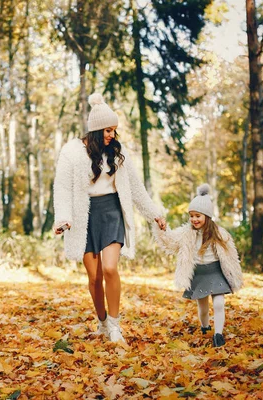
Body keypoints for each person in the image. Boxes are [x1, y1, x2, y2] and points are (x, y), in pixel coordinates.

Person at [53, 93, 167, 344]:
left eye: (114, 131)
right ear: (95, 130)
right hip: (84, 216)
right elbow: (61, 188)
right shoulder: (71, 152)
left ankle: (115, 326)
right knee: (94, 277)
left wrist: (155, 214)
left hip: (112, 211)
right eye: (107, 130)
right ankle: (103, 322)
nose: (112, 136)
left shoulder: (117, 153)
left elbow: (136, 189)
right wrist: (62, 218)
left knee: (110, 268)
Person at [152, 184, 243, 347]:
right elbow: (170, 242)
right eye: (191, 216)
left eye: (198, 216)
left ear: (207, 216)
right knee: (203, 308)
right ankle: (205, 327)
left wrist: (233, 274)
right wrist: (162, 230)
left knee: (219, 303)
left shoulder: (219, 233)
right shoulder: (186, 233)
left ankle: (218, 335)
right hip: (199, 274)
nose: (194, 219)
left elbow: (230, 255)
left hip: (216, 272)